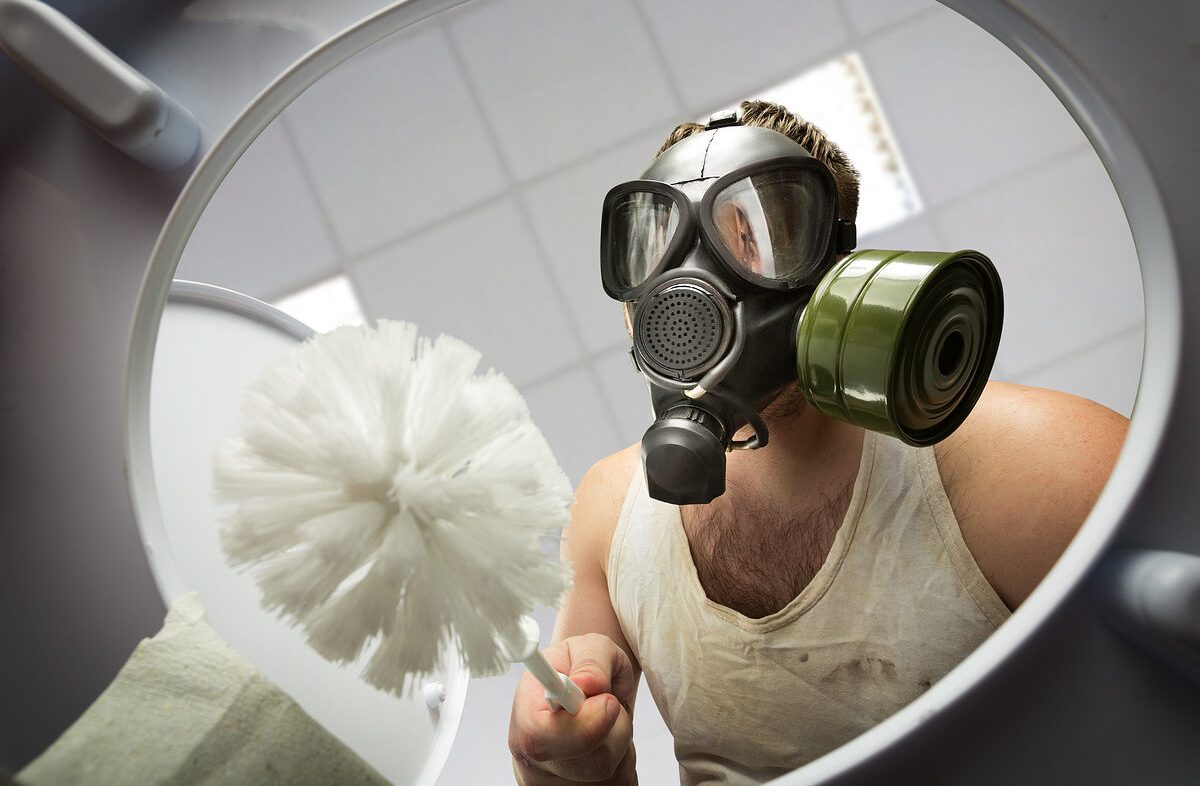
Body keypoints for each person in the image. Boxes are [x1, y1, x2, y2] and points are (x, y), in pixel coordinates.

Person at [509, 100, 1127, 785]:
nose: (690, 285)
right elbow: (577, 767)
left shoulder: (1029, 462)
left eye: (754, 239)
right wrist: (552, 756)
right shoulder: (611, 514)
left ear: (842, 270)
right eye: (658, 246)